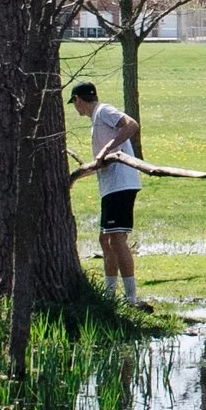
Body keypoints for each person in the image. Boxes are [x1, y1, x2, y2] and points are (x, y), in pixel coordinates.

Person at [70, 80, 144, 306]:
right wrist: (76, 177)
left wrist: (108, 148)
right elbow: (101, 163)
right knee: (105, 239)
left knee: (117, 238)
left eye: (74, 103)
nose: (76, 108)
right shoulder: (97, 119)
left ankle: (130, 298)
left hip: (121, 184)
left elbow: (131, 125)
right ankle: (109, 294)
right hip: (110, 185)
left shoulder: (104, 111)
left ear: (78, 100)